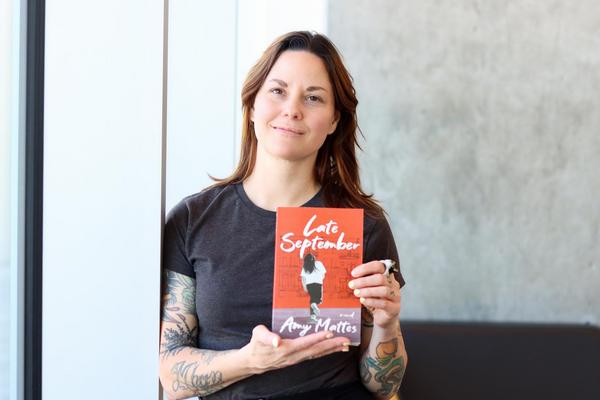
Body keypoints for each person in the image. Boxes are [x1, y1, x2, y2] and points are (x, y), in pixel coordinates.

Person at [159, 31, 407, 400]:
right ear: (253, 104)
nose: (293, 109)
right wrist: (252, 361)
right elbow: (173, 378)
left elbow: (384, 385)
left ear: (335, 120)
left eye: (313, 98)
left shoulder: (364, 226)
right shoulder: (192, 220)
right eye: (277, 91)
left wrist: (387, 324)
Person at [300, 253, 326, 322]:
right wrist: (320, 279)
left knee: (313, 299)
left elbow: (303, 278)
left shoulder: (305, 266)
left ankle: (313, 317)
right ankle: (313, 314)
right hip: (318, 283)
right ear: (313, 258)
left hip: (309, 284)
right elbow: (323, 274)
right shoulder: (319, 263)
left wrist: (304, 287)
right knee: (317, 300)